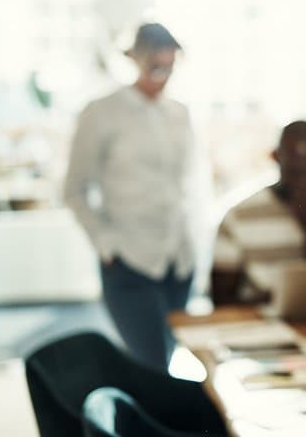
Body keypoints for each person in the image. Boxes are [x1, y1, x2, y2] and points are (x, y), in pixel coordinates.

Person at [64, 22, 205, 372]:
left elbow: (187, 184)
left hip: (178, 261)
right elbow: (73, 188)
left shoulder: (180, 113)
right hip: (128, 258)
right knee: (150, 364)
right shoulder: (102, 112)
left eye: (169, 63)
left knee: (170, 359)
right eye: (155, 62)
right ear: (136, 59)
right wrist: (105, 243)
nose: (163, 70)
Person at [210, 120, 306, 305]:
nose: (301, 173)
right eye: (294, 165)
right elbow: (221, 298)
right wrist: (270, 305)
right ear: (276, 156)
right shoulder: (239, 216)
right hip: (259, 323)